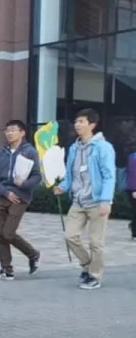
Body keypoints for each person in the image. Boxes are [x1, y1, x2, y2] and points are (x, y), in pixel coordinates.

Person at [54, 108, 116, 289]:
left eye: (82, 121)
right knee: (70, 236)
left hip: (97, 201)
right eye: (76, 121)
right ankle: (88, 266)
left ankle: (95, 276)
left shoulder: (103, 147)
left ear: (92, 125)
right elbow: (70, 174)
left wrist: (106, 200)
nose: (77, 125)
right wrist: (63, 187)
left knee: (96, 243)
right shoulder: (74, 147)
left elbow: (109, 175)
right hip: (79, 200)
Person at [0, 119, 42, 281]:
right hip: (3, 196)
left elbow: (37, 176)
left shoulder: (29, 152)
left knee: (8, 233)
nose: (9, 133)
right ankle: (6, 269)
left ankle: (33, 254)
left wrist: (23, 185)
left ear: (22, 133)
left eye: (13, 130)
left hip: (20, 198)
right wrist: (5, 192)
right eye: (7, 131)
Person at [127, 141, 136, 240]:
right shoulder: (134, 157)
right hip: (133, 189)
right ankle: (134, 232)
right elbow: (133, 174)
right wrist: (134, 189)